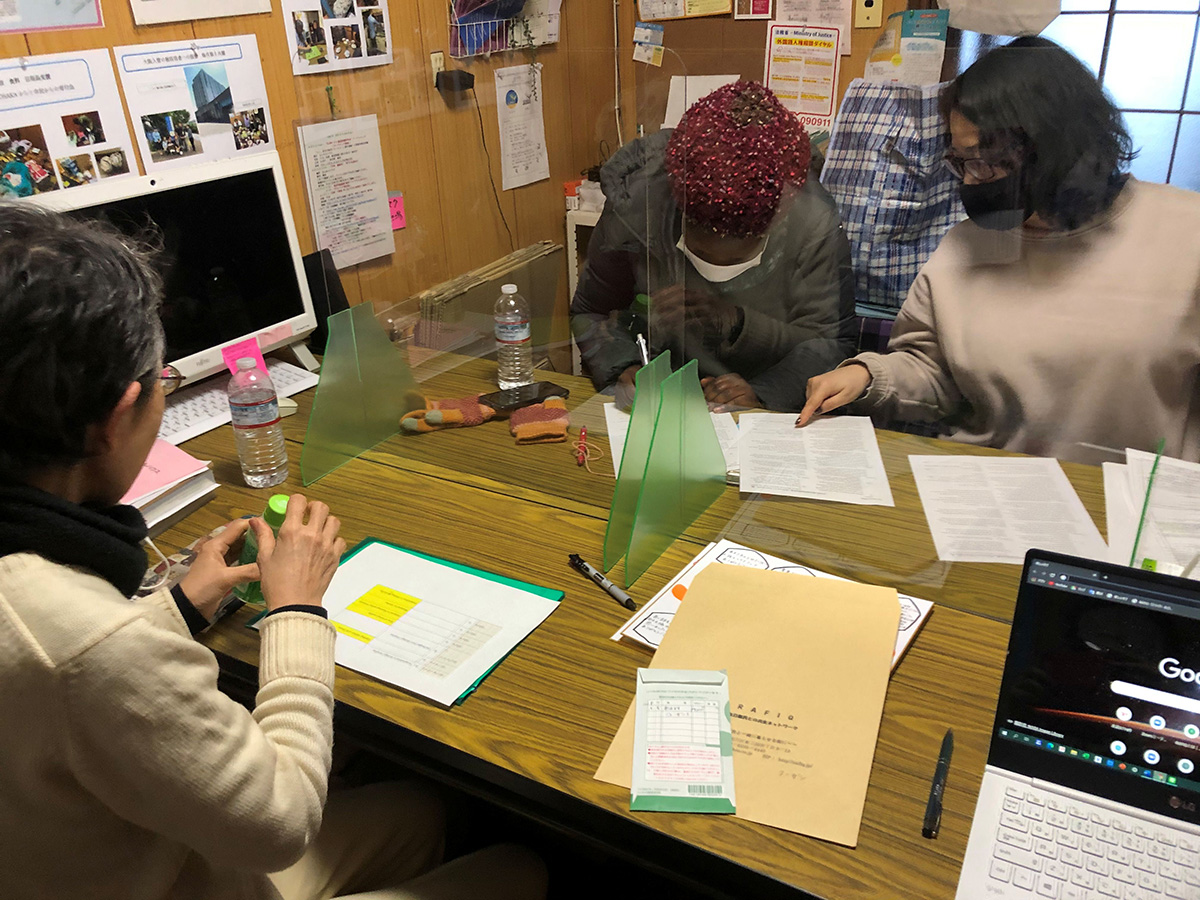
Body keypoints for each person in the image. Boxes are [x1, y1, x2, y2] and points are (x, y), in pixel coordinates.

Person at [0, 203, 547, 900]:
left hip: (114, 852)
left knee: (421, 808)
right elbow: (281, 823)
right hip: (183, 876)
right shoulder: (90, 646)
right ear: (113, 419)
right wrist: (296, 609)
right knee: (522, 869)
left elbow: (51, 670)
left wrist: (178, 607)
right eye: (163, 381)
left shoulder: (41, 601)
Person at [798, 37, 1200, 464]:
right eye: (962, 161)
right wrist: (868, 375)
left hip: (1136, 494)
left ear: (1058, 146)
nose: (971, 182)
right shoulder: (965, 246)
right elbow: (933, 371)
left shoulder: (1185, 233)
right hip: (991, 479)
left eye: (985, 162)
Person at [570, 81, 856, 412]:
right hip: (663, 397)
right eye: (702, 250)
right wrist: (626, 367)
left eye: (739, 253)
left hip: (767, 397)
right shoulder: (639, 203)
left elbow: (829, 342)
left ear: (779, 220)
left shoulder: (813, 219)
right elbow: (592, 311)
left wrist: (762, 393)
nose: (716, 264)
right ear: (679, 207)